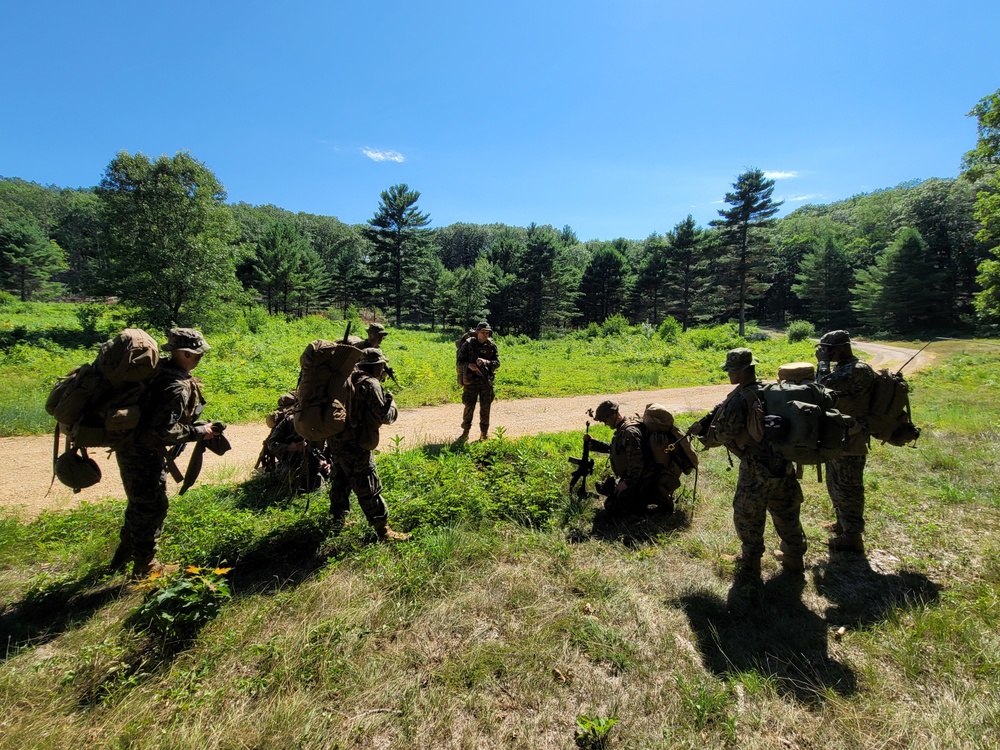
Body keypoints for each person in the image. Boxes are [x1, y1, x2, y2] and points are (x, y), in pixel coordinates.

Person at [109, 328, 222, 577]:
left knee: (140, 502)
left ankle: (125, 554)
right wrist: (199, 431)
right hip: (143, 452)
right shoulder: (175, 385)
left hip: (133, 447)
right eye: (197, 354)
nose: (200, 358)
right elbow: (163, 430)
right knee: (153, 506)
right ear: (183, 354)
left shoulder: (160, 371)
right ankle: (145, 566)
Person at [690, 347, 807, 581]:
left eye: (731, 371)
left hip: (756, 466)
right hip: (782, 460)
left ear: (741, 371)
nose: (728, 375)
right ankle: (795, 556)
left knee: (748, 514)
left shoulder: (742, 398)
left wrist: (704, 438)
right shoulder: (771, 390)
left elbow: (722, 434)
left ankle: (750, 561)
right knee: (786, 508)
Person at [326, 348, 409, 541]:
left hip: (336, 439)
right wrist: (393, 405)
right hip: (356, 443)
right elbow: (384, 416)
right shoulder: (370, 384)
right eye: (382, 365)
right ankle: (383, 530)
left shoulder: (346, 377)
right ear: (377, 365)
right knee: (368, 485)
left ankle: (338, 520)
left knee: (340, 479)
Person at [816, 330, 875, 554]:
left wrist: (822, 365)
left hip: (852, 437)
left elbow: (822, 389)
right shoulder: (844, 368)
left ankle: (852, 537)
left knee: (849, 488)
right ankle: (842, 523)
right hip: (840, 434)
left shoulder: (856, 370)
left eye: (827, 350)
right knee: (835, 483)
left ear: (839, 348)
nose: (823, 354)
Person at [585, 400, 678, 516]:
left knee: (612, 507)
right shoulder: (623, 429)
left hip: (644, 479)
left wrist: (627, 482)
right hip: (637, 476)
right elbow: (618, 450)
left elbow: (637, 461)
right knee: (613, 497)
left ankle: (654, 501)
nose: (605, 424)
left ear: (614, 415)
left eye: (605, 420)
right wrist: (595, 444)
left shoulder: (629, 433)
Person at [258, 391, 329, 493]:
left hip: (316, 462)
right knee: (291, 475)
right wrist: (290, 447)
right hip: (292, 461)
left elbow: (332, 447)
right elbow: (271, 443)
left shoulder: (324, 424)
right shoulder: (289, 421)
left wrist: (326, 461)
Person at [457, 321, 500, 441]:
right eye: (483, 332)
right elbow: (459, 363)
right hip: (471, 381)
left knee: (485, 408)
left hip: (486, 382)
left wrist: (486, 362)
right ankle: (465, 432)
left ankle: (484, 433)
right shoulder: (468, 345)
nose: (485, 335)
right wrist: (469, 366)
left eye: (487, 332)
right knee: (469, 406)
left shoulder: (491, 346)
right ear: (477, 332)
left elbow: (497, 363)